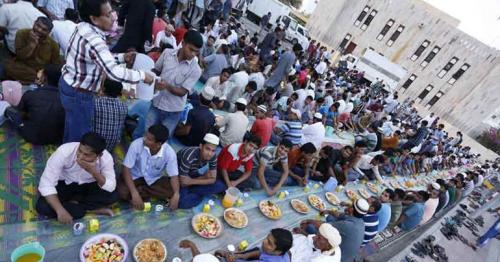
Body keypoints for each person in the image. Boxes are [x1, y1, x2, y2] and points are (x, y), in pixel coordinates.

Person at [61, 0, 156, 143]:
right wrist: (142, 75)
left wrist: (122, 57)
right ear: (94, 18)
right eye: (107, 14)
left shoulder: (84, 27)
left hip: (70, 84)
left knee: (72, 127)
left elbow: (97, 57)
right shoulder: (94, 40)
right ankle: (71, 161)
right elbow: (113, 72)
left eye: (112, 11)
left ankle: (67, 153)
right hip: (79, 93)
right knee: (78, 136)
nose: (113, 16)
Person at [36, 132, 119, 224]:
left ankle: (77, 207)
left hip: (89, 186)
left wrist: (93, 172)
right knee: (42, 206)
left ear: (99, 155)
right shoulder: (64, 152)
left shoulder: (106, 158)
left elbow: (110, 186)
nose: (80, 156)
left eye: (86, 155)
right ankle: (86, 209)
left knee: (113, 195)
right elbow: (46, 184)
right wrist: (60, 210)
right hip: (65, 184)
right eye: (79, 151)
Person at [146, 29, 203, 137]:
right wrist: (152, 78)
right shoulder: (167, 53)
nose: (193, 54)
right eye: (190, 49)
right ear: (183, 43)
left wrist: (166, 85)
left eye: (196, 51)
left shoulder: (196, 70)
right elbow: (156, 70)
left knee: (162, 138)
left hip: (173, 111)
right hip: (156, 102)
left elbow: (182, 92)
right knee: (148, 132)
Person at [118, 124, 180, 210]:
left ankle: (141, 192)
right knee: (121, 191)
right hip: (134, 177)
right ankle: (139, 192)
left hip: (153, 180)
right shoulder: (136, 144)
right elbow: (126, 169)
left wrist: (176, 195)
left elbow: (174, 176)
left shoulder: (169, 153)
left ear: (158, 144)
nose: (144, 139)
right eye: (145, 136)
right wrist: (134, 192)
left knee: (172, 190)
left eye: (149, 139)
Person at [4, 64, 65, 145]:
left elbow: (19, 112)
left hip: (32, 135)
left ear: (44, 78)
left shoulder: (31, 94)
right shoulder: (66, 99)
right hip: (56, 139)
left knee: (9, 110)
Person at [302, 198, 369, 262]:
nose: (349, 205)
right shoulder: (360, 222)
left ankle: (308, 238)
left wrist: (309, 221)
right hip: (347, 253)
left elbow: (324, 227)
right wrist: (328, 211)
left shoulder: (348, 225)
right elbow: (339, 215)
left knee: (310, 227)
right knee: (330, 217)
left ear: (351, 209)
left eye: (351, 205)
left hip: (338, 256)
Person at [4, 17, 61, 84]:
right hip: (22, 66)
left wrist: (43, 71)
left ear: (49, 32)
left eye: (44, 29)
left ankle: (35, 80)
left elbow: (55, 65)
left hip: (41, 71)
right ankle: (38, 81)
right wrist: (32, 45)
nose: (39, 30)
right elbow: (20, 56)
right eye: (38, 26)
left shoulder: (53, 45)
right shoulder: (22, 33)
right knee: (8, 66)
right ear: (34, 23)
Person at [176, 133, 226, 209]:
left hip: (192, 175)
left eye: (213, 150)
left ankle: (194, 190)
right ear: (201, 146)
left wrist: (191, 181)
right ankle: (201, 192)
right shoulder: (189, 156)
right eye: (207, 149)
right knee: (182, 203)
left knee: (221, 186)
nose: (210, 154)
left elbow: (213, 179)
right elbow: (183, 183)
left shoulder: (213, 156)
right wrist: (204, 177)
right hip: (180, 175)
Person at [216, 228, 293, 262]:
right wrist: (242, 255)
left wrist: (227, 256)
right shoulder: (284, 251)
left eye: (269, 243)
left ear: (278, 252)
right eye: (267, 238)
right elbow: (261, 252)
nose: (264, 241)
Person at [92, 79, 128, 152]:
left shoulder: (95, 102)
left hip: (94, 143)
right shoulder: (124, 106)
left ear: (104, 89)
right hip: (112, 145)